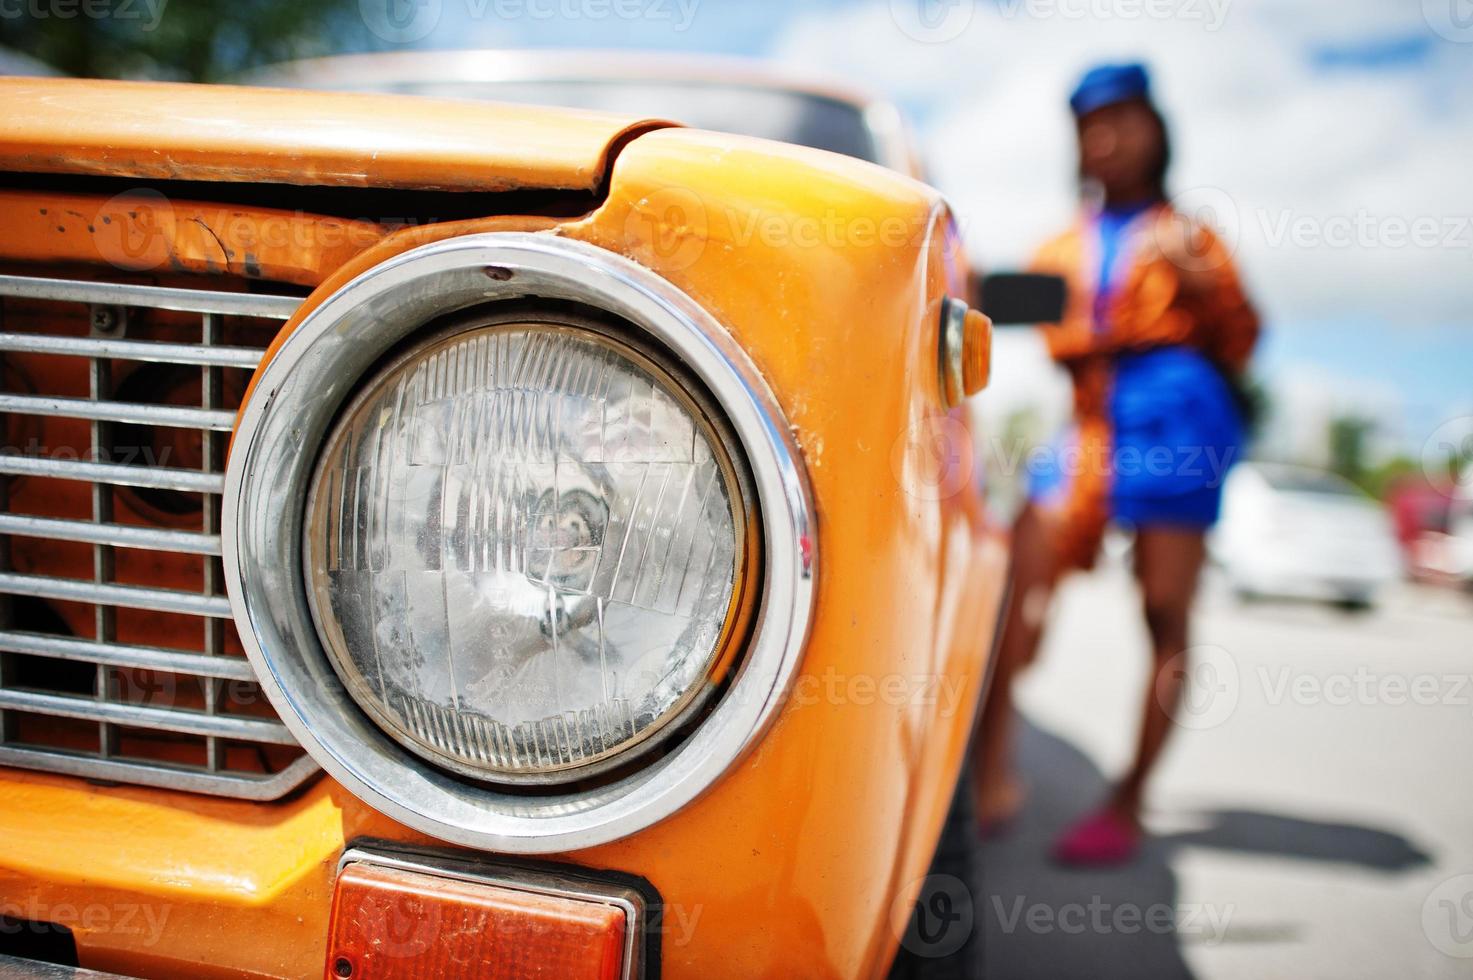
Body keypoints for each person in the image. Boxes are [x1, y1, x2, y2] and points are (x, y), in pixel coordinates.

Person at [972, 62, 1260, 866]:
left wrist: (1205, 286)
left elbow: (1243, 339)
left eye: (1124, 119)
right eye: (1090, 124)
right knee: (1014, 587)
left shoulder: (1190, 236)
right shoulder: (1062, 246)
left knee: (1163, 611)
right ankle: (991, 775)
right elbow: (978, 300)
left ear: (1155, 131)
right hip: (1091, 422)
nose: (1106, 136)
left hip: (1177, 417)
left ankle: (1129, 801)